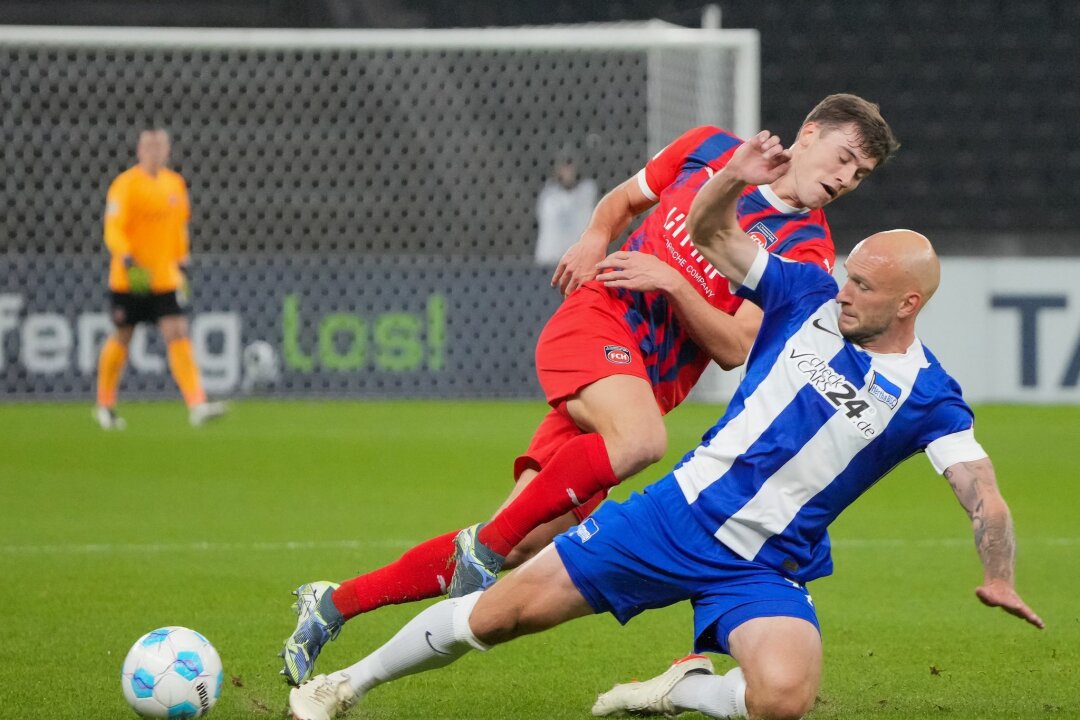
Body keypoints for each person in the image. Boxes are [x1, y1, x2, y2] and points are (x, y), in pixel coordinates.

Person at [286, 130, 1043, 720]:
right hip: (676, 517)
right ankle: (344, 685)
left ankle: (678, 691)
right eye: (848, 275)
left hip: (766, 565)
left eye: (864, 287)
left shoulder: (931, 396)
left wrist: (998, 574)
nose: (845, 291)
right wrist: (733, 179)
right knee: (503, 612)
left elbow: (983, 492)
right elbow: (713, 229)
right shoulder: (802, 291)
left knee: (783, 698)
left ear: (907, 305)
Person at [94, 127, 227, 429]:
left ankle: (197, 403)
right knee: (122, 335)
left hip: (165, 278)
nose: (154, 152)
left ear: (167, 151)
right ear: (140, 151)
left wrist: (182, 260)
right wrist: (126, 257)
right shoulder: (125, 185)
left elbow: (179, 227)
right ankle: (105, 403)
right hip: (132, 278)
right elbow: (112, 228)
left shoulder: (175, 185)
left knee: (178, 332)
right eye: (148, 146)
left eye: (159, 146)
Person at [534, 149, 600, 266]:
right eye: (564, 166)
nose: (567, 171)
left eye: (570, 165)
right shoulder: (548, 195)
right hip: (549, 262)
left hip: (579, 263)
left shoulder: (587, 192)